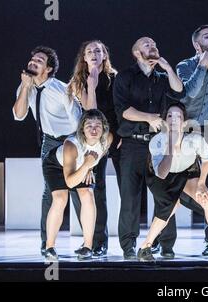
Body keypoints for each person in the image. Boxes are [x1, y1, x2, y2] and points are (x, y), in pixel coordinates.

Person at [113, 37, 185, 260]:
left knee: (164, 195)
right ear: (136, 52)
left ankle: (165, 244)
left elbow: (180, 92)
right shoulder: (125, 77)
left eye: (155, 44)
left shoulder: (163, 77)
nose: (152, 46)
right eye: (146, 44)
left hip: (158, 144)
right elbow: (123, 109)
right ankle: (128, 245)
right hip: (133, 143)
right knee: (130, 197)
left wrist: (167, 67)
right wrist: (149, 118)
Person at [137, 102, 208, 261]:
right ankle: (145, 247)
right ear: (164, 121)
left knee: (206, 200)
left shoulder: (194, 139)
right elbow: (161, 173)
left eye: (178, 116)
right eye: (169, 116)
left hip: (187, 173)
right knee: (170, 206)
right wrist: (170, 144)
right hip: (162, 178)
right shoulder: (157, 142)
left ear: (184, 123)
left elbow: (207, 159)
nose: (173, 119)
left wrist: (202, 183)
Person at [12, 46, 82, 256]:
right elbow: (19, 115)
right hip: (49, 142)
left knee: (80, 190)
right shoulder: (26, 87)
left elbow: (77, 120)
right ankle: (47, 242)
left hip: (70, 141)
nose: (33, 62)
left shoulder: (62, 90)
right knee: (50, 194)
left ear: (49, 68)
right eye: (32, 59)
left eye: (39, 60)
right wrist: (25, 88)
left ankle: (92, 242)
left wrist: (77, 148)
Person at [174, 24, 208, 256]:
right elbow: (190, 93)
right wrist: (203, 63)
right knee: (174, 184)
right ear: (197, 45)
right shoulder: (184, 66)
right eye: (207, 37)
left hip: (207, 131)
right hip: (184, 131)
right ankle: (163, 241)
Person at [68, 40, 121, 256]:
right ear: (84, 58)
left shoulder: (115, 78)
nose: (94, 54)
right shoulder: (79, 81)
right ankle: (94, 241)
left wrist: (120, 135)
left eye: (98, 50)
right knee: (89, 190)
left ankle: (112, 242)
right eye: (89, 51)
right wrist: (91, 82)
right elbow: (91, 111)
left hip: (113, 137)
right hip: (91, 139)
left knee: (112, 191)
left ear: (105, 55)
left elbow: (119, 108)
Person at [42, 109, 112, 260]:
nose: (94, 130)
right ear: (82, 129)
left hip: (81, 167)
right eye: (89, 126)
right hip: (56, 165)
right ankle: (49, 247)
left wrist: (89, 167)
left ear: (104, 128)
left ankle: (87, 246)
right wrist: (86, 165)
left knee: (88, 194)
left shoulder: (108, 139)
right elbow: (70, 182)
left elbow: (96, 155)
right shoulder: (71, 145)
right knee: (60, 199)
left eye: (98, 125)